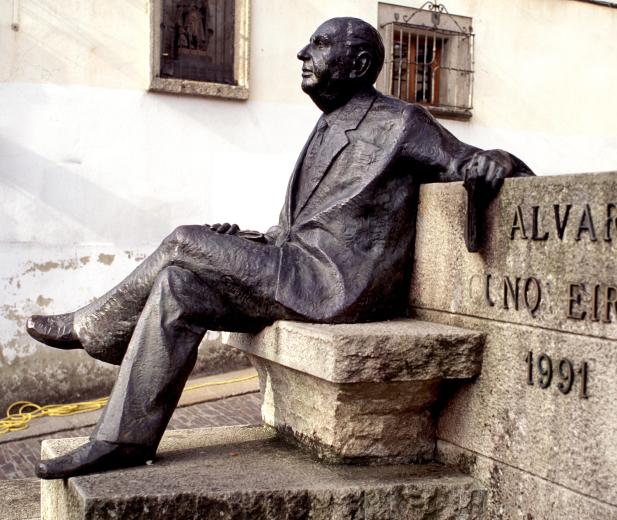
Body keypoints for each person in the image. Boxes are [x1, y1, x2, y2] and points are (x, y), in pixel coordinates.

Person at [27, 17, 533, 479]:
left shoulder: (402, 123)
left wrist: (496, 162)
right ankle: (123, 439)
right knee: (179, 283)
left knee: (184, 240)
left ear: (359, 64)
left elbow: (470, 160)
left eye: (318, 44)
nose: (301, 54)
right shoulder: (325, 125)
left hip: (335, 285)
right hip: (295, 264)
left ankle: (93, 327)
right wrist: (248, 241)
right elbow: (304, 225)